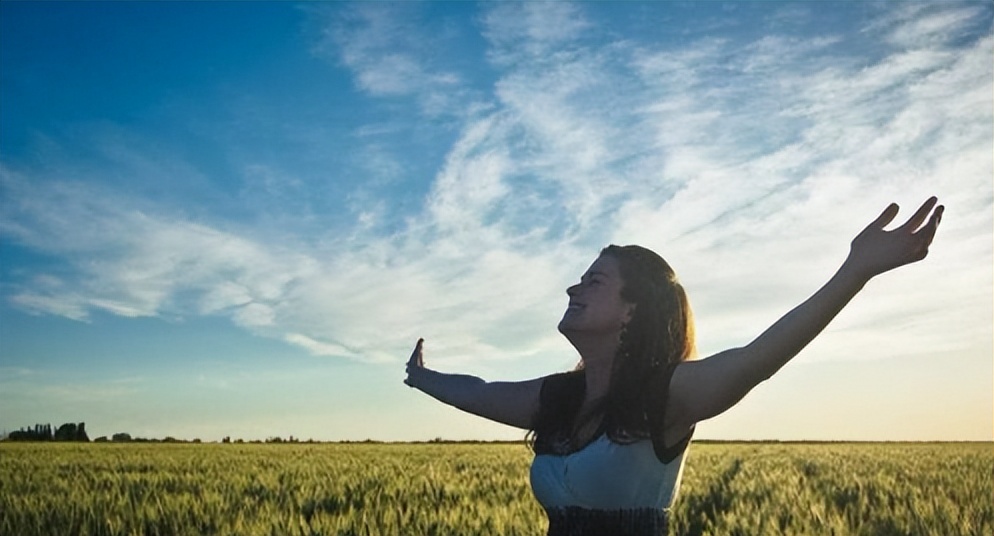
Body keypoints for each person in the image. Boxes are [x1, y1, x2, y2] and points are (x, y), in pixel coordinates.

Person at [404, 197, 943, 535]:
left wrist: (856, 270)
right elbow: (476, 390)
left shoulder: (669, 394)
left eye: (594, 281)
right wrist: (422, 377)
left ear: (633, 309)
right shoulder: (558, 399)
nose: (573, 286)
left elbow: (757, 358)